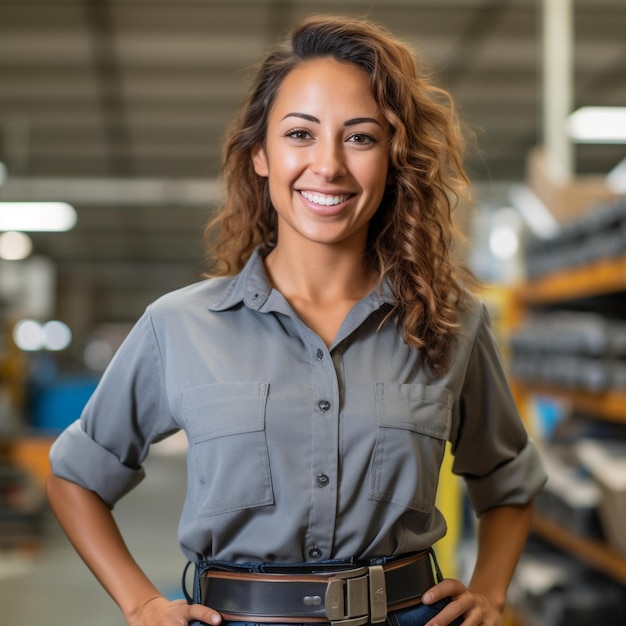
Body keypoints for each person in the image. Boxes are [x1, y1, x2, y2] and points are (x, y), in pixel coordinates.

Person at [46, 14, 546, 626]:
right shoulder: (178, 325)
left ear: (394, 158)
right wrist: (141, 601)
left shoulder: (450, 323)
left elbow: (508, 480)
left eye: (360, 137)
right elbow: (76, 479)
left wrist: (491, 594)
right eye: (300, 134)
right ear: (260, 154)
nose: (329, 165)